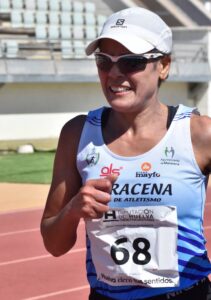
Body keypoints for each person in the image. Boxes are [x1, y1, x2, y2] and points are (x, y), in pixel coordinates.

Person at [40, 7, 211, 300]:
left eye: (131, 62)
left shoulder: (199, 134)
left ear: (164, 66)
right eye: (103, 61)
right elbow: (54, 244)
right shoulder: (78, 134)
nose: (114, 73)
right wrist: (73, 210)